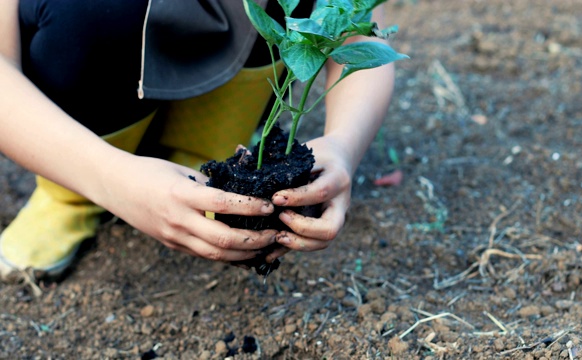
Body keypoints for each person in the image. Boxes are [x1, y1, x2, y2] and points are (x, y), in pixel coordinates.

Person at [0, 0, 396, 280]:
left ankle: (200, 160)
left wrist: (344, 144)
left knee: (278, 5)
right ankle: (69, 197)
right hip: (83, 108)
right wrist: (110, 179)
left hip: (219, 77)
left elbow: (359, 27)